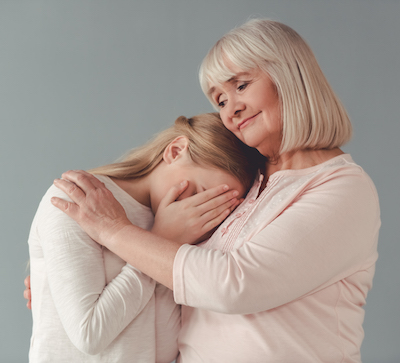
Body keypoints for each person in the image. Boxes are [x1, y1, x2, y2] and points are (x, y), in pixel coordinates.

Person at [30, 19, 380, 362]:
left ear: (290, 76)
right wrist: (61, 280)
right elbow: (178, 275)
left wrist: (113, 230)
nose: (232, 110)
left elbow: (234, 283)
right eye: (220, 100)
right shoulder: (250, 182)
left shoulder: (342, 190)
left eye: (241, 85)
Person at [27, 112, 263, 363]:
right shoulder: (80, 200)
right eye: (199, 194)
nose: (196, 214)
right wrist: (161, 241)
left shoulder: (191, 235)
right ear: (175, 151)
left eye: (216, 211)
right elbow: (89, 335)